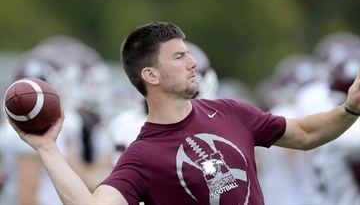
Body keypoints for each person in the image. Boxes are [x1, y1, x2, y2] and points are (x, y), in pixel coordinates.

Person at [6, 21, 360, 205]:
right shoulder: (141, 155)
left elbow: (306, 133)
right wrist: (48, 148)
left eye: (188, 53)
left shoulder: (232, 111)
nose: (193, 63)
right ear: (151, 75)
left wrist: (349, 108)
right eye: (179, 57)